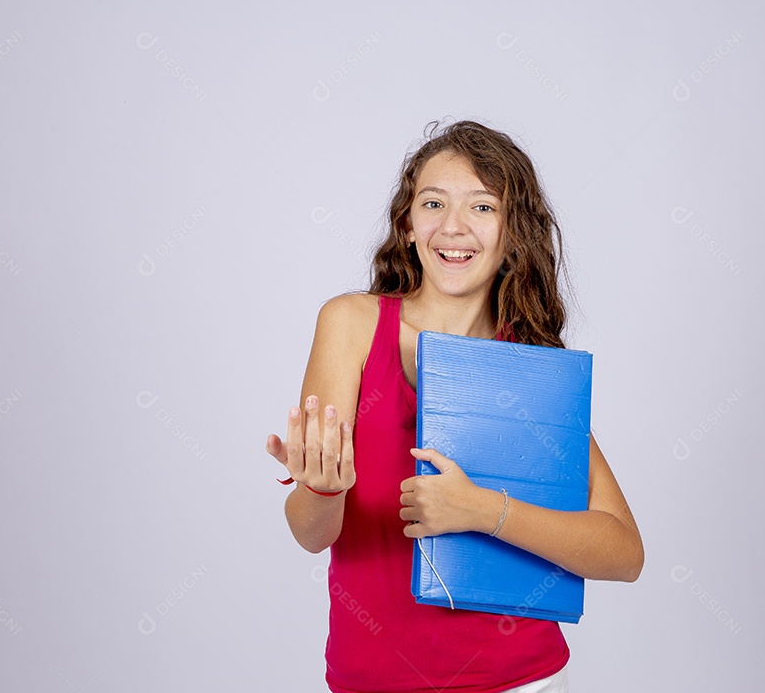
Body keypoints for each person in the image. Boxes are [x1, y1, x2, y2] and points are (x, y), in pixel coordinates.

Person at [266, 119, 644, 693]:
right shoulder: (351, 324)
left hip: (522, 681)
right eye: (433, 202)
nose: (453, 226)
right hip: (372, 681)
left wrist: (483, 512)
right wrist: (321, 489)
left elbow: (623, 553)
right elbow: (313, 534)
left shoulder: (530, 366)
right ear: (409, 224)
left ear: (513, 233)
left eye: (483, 207)